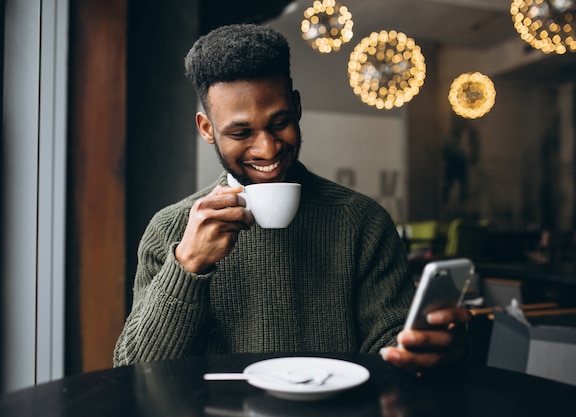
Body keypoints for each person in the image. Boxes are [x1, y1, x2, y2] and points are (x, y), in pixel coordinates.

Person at [113, 24, 471, 373]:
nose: (267, 148)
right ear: (207, 129)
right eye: (241, 132)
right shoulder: (170, 230)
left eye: (279, 122)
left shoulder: (362, 221)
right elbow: (133, 372)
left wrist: (430, 349)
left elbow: (393, 351)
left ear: (297, 108)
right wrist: (187, 265)